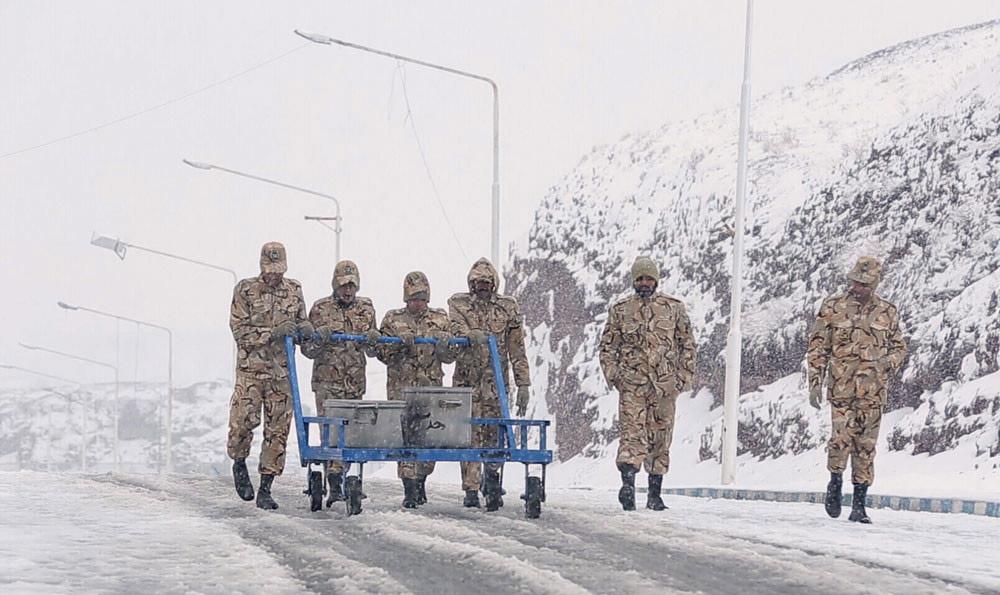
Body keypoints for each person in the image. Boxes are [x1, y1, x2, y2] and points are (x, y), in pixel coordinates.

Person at [807, 256, 907, 524]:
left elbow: (899, 347)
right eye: (855, 282)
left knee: (866, 447)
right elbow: (818, 346)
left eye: (864, 284)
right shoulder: (833, 307)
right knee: (840, 440)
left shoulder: (887, 311)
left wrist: (888, 364)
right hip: (841, 389)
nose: (858, 287)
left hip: (873, 393)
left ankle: (860, 504)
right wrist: (815, 381)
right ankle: (835, 482)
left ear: (874, 283)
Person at [598, 256, 696, 511]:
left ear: (656, 280)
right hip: (633, 386)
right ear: (634, 280)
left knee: (660, 440)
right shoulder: (620, 311)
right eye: (640, 278)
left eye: (649, 278)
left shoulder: (673, 308)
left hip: (664, 387)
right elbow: (608, 347)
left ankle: (655, 494)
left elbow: (687, 344)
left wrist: (682, 378)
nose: (644, 283)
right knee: (632, 436)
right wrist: (615, 375)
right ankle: (628, 485)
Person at [227, 241, 312, 510]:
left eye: (278, 270)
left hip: (281, 373)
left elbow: (300, 323)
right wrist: (271, 333)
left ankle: (266, 487)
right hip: (251, 372)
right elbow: (240, 332)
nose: (274, 275)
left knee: (277, 432)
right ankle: (239, 462)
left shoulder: (294, 291)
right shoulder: (245, 290)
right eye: (269, 269)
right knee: (242, 423)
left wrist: (305, 329)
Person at [448, 258, 530, 510]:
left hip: (496, 384)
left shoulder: (507, 307)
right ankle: (471, 488)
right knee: (469, 434)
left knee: (495, 433)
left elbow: (517, 348)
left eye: (486, 282)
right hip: (467, 382)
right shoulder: (458, 304)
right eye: (477, 282)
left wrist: (523, 383)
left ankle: (493, 482)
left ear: (494, 283)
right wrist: (467, 335)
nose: (482, 286)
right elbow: (453, 328)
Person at [302, 259, 379, 506]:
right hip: (328, 383)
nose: (348, 291)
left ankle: (344, 477)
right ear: (335, 285)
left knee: (352, 433)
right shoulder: (320, 309)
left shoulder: (366, 309)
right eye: (344, 285)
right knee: (331, 432)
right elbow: (307, 350)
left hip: (354, 382)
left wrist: (373, 339)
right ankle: (333, 481)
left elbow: (372, 349)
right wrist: (320, 339)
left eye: (352, 286)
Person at [376, 271, 455, 508]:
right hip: (402, 389)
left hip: (431, 389)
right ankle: (409, 488)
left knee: (430, 437)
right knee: (405, 439)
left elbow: (452, 356)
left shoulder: (441, 319)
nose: (417, 303)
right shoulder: (392, 319)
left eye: (421, 298)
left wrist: (444, 345)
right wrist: (399, 345)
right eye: (412, 298)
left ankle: (421, 481)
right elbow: (380, 352)